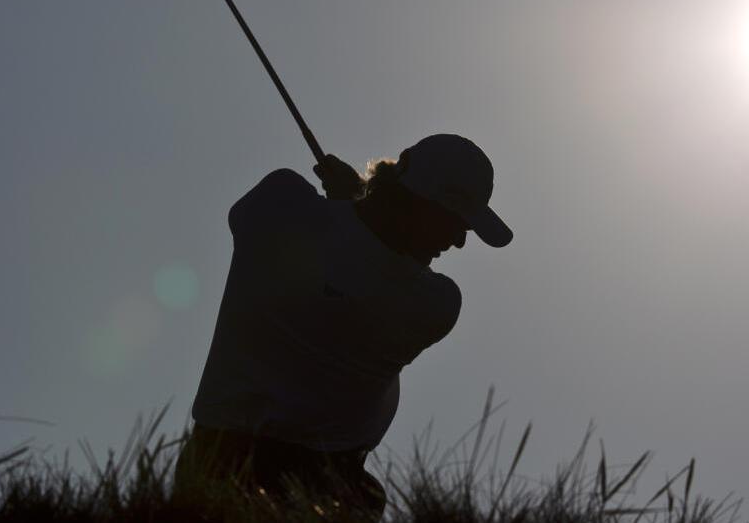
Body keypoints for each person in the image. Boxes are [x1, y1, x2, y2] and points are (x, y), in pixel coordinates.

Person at [173, 134, 512, 517]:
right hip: (326, 487)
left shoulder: (278, 207)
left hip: (211, 461)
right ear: (417, 205)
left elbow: (345, 245)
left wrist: (352, 204)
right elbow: (363, 260)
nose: (459, 241)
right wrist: (352, 198)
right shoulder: (435, 305)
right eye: (454, 222)